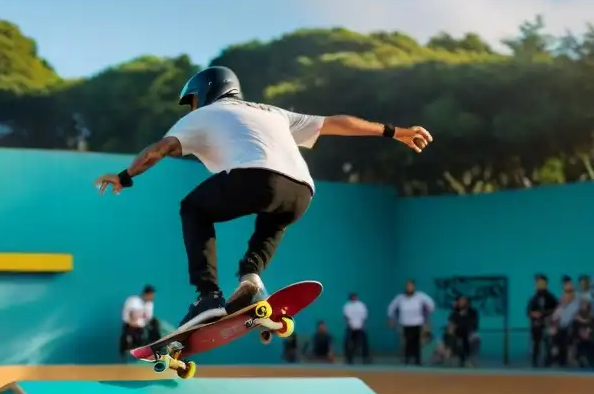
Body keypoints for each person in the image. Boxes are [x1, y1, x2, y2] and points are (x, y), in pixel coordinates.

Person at [93, 66, 433, 332]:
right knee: (275, 217)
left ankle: (207, 296)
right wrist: (394, 131)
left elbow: (159, 150)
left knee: (193, 208)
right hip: (302, 190)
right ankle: (251, 277)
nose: (191, 107)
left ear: (205, 92)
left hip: (255, 178)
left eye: (193, 100)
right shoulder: (275, 113)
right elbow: (335, 123)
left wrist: (125, 176)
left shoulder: (200, 116)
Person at [119, 285, 161, 359]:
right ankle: (125, 355)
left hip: (140, 327)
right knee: (127, 341)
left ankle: (156, 349)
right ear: (146, 294)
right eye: (151, 294)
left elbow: (148, 319)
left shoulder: (150, 304)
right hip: (130, 326)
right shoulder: (133, 300)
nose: (152, 296)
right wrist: (132, 324)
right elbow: (128, 315)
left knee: (155, 325)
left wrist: (141, 324)